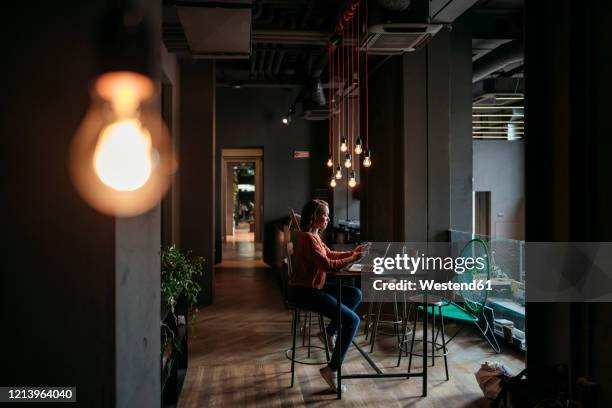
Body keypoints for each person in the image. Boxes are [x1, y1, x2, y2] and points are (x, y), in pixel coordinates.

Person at [288, 199, 363, 393]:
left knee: (355, 294)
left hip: (315, 288)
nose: (328, 218)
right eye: (324, 214)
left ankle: (329, 332)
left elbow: (329, 254)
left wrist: (352, 253)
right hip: (304, 292)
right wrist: (352, 258)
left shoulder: (315, 236)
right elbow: (327, 265)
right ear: (313, 216)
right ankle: (332, 369)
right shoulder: (306, 238)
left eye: (328, 214)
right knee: (352, 320)